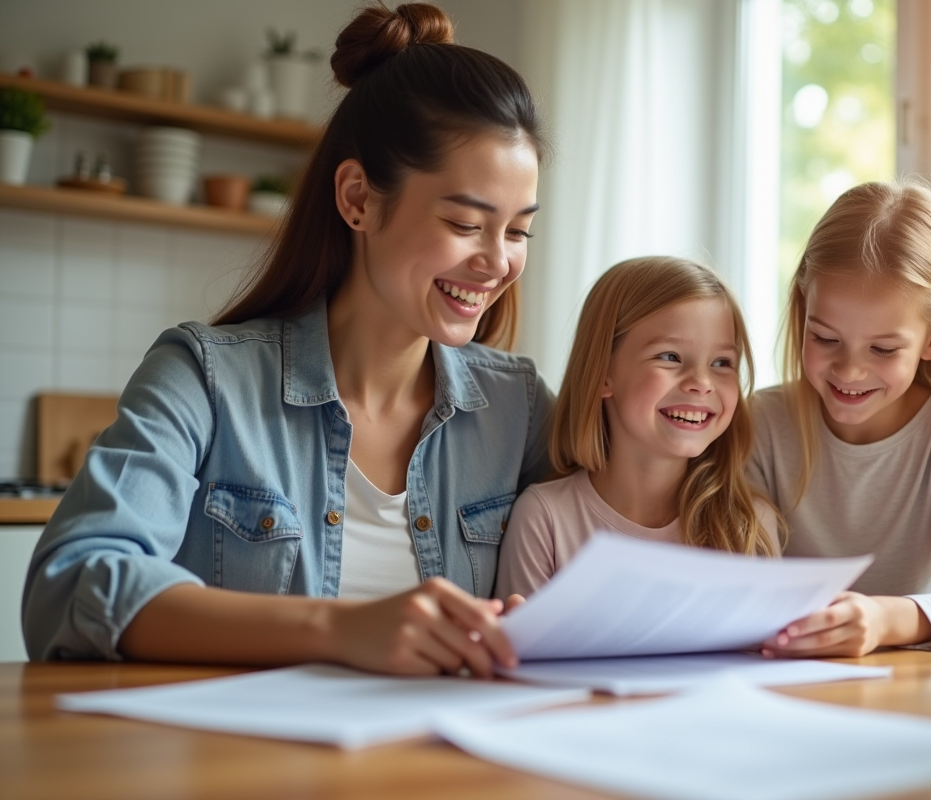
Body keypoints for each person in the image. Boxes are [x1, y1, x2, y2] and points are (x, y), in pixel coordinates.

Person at [23, 3, 553, 678]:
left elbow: (632, 534)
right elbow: (71, 584)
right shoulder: (204, 379)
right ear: (358, 197)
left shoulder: (521, 408)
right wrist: (339, 629)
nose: (497, 261)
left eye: (518, 232)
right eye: (465, 222)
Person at [749, 179, 931, 658]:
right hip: (779, 680)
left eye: (882, 348)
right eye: (825, 338)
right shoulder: (761, 423)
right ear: (803, 311)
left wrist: (881, 620)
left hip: (902, 688)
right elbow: (741, 579)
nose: (850, 370)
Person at [495, 256, 779, 599]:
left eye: (722, 363)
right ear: (602, 373)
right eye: (670, 356)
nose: (702, 383)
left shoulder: (749, 526)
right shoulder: (544, 519)